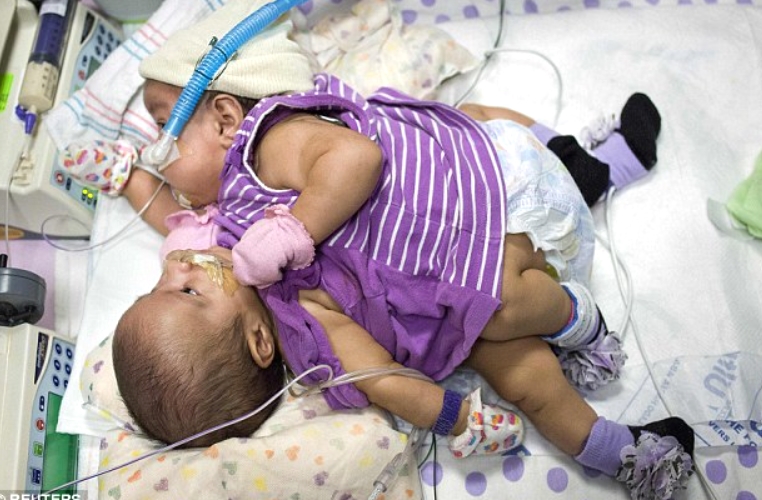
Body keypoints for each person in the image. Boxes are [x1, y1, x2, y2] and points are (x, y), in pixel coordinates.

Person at [100, 1, 693, 498]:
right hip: (480, 285)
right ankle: (627, 454)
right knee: (526, 379)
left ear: (228, 118)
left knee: (472, 118)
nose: (175, 265)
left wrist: (130, 180)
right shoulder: (298, 326)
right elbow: (380, 377)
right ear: (260, 343)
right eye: (183, 290)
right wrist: (456, 417)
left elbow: (357, 157)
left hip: (495, 189)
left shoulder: (265, 146)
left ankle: (591, 170)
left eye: (162, 124)